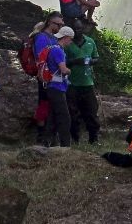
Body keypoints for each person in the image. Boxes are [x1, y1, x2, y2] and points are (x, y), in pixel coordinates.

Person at [37, 24, 74, 147]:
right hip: (57, 88)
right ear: (66, 37)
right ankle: (65, 144)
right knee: (65, 117)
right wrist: (69, 71)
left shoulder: (52, 48)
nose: (71, 41)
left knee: (52, 116)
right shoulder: (58, 50)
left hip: (51, 86)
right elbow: (63, 70)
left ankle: (47, 142)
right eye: (71, 39)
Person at [64, 24, 101, 144]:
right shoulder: (68, 43)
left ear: (83, 28)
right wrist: (75, 61)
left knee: (91, 112)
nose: (77, 31)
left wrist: (91, 61)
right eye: (75, 29)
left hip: (88, 82)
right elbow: (62, 62)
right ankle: (75, 139)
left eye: (79, 28)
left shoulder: (90, 41)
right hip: (72, 83)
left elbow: (96, 58)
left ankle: (94, 139)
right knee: (72, 113)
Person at [31, 12, 65, 140]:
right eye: (58, 24)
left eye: (62, 24)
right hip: (45, 78)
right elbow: (41, 58)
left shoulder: (55, 37)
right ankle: (41, 133)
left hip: (56, 78)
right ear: (50, 23)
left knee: (53, 105)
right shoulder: (41, 37)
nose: (60, 27)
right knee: (44, 104)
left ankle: (51, 132)